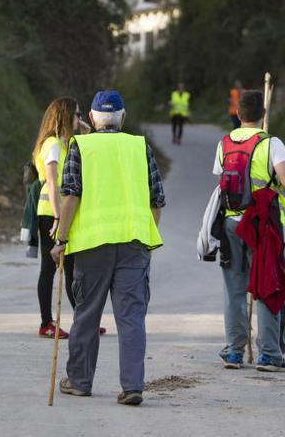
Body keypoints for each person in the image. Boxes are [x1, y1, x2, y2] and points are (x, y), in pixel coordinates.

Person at [51, 90, 165, 406]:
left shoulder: (81, 146)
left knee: (87, 315)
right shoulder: (139, 146)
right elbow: (157, 200)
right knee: (131, 317)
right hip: (134, 244)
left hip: (91, 247)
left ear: (91, 118)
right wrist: (146, 235)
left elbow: (70, 196)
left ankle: (79, 381)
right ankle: (132, 386)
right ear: (123, 118)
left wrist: (61, 239)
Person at [213, 90, 285, 372]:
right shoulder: (271, 143)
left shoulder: (224, 143)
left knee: (234, 290)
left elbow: (221, 181)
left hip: (230, 224)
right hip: (261, 225)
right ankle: (269, 355)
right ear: (262, 114)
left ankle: (234, 352)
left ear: (238, 114)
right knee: (266, 285)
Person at [31, 96, 104, 339]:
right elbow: (52, 183)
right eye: (77, 114)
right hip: (50, 213)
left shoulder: (66, 144)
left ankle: (83, 320)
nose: (80, 118)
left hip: (62, 213)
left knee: (72, 269)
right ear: (64, 116)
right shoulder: (52, 144)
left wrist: (86, 132)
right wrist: (56, 217)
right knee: (49, 269)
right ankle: (46, 322)